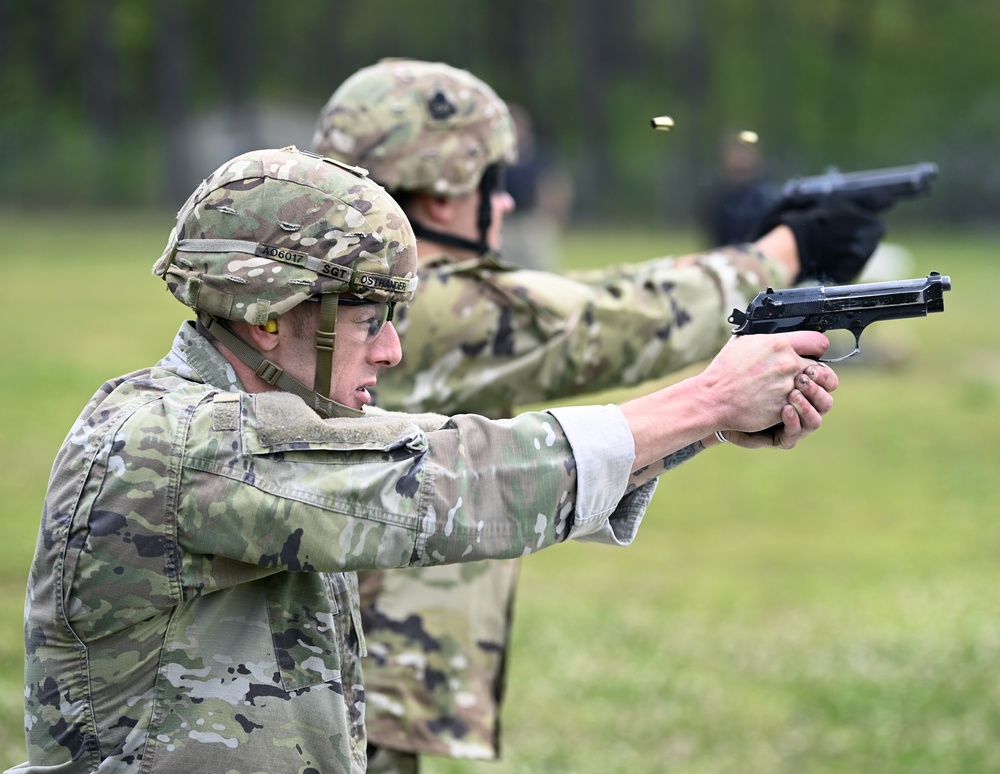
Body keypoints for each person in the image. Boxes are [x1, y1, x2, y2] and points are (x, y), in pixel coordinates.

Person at [13, 146, 842, 774]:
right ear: (269, 317)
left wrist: (702, 423)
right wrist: (702, 402)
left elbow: (445, 457)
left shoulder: (255, 426)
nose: (393, 350)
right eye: (371, 318)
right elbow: (448, 481)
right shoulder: (179, 444)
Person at [312, 59, 884, 772]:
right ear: (438, 198)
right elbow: (604, 322)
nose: (508, 203)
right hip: (341, 682)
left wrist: (709, 416)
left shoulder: (327, 300)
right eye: (493, 182)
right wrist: (783, 251)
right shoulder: (417, 308)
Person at [699, 131, 780, 247]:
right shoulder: (716, 195)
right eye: (735, 154)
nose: (740, 159)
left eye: (744, 154)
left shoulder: (766, 195)